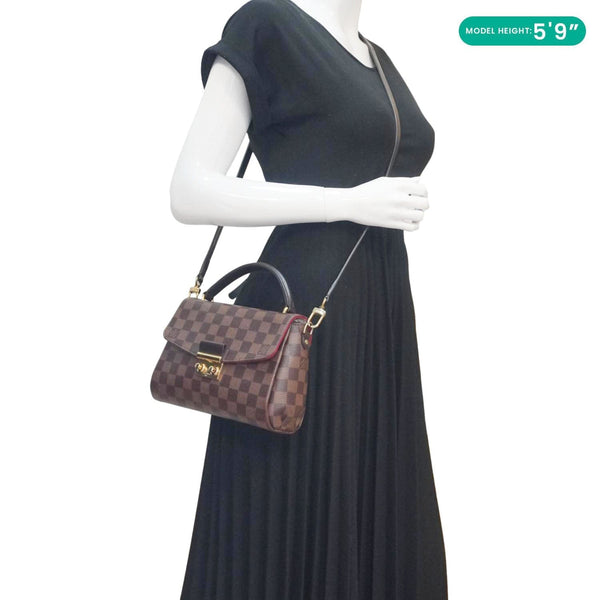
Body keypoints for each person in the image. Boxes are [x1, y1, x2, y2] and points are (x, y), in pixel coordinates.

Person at [170, 0, 448, 598]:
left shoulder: (379, 59)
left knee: (372, 503)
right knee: (284, 514)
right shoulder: (267, 24)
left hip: (380, 317)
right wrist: (345, 202)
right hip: (299, 312)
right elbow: (189, 191)